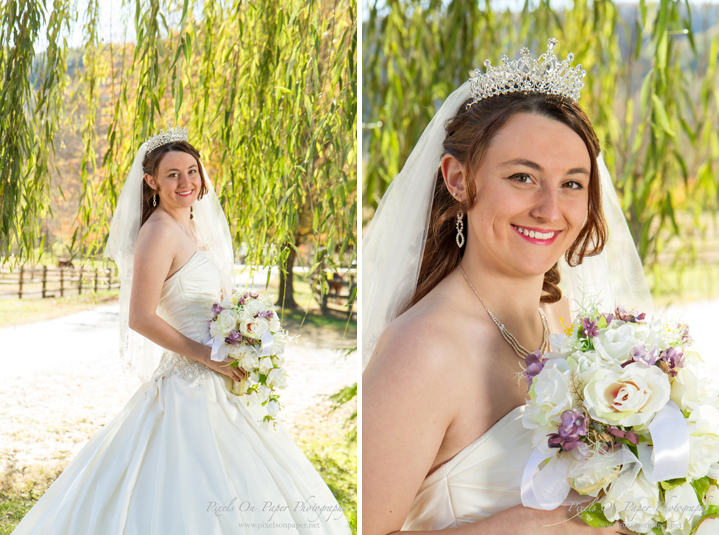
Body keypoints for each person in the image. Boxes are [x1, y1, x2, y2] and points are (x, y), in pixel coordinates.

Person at [362, 39, 652, 534]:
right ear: (457, 178)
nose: (549, 209)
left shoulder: (566, 317)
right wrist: (530, 524)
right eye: (523, 177)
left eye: (572, 183)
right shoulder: (422, 351)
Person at [11, 126, 351, 534]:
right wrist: (208, 354)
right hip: (191, 380)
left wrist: (247, 334)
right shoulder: (157, 232)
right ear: (151, 181)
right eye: (172, 174)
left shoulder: (192, 227)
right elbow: (141, 317)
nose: (186, 182)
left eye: (192, 170)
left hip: (220, 374)